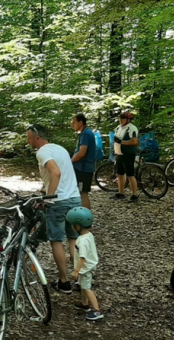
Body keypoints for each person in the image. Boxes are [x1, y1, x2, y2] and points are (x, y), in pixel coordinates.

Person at [26, 124, 82, 294]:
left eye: (29, 137)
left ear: (37, 138)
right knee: (73, 239)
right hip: (74, 198)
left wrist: (48, 197)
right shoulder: (60, 149)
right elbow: (62, 173)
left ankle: (64, 282)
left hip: (59, 202)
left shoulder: (42, 152)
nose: (28, 141)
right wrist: (47, 187)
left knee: (56, 240)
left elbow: (56, 172)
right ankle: (79, 278)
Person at [67, 207, 103, 321]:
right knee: (83, 285)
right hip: (87, 266)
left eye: (73, 225)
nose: (72, 227)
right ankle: (84, 304)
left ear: (78, 225)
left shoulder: (82, 241)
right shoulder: (88, 235)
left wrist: (76, 271)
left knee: (87, 288)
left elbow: (82, 257)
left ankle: (97, 311)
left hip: (85, 268)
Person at [111, 111, 139, 203]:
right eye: (120, 119)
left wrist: (121, 142)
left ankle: (134, 195)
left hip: (128, 155)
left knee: (130, 175)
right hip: (119, 154)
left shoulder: (132, 128)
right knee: (119, 174)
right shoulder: (119, 127)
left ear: (128, 120)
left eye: (122, 119)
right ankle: (121, 193)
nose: (121, 120)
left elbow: (134, 142)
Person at [71, 114, 97, 209]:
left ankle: (85, 217)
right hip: (82, 168)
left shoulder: (86, 134)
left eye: (74, 122)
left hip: (84, 169)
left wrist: (70, 161)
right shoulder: (86, 132)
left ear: (80, 122)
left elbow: (81, 153)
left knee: (83, 193)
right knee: (80, 192)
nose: (72, 125)